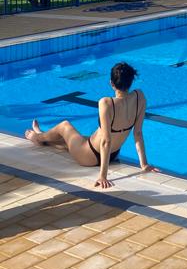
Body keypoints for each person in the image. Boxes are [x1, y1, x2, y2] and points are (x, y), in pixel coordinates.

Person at [24, 61, 156, 189]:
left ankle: (38, 137)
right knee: (72, 142)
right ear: (131, 81)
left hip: (90, 155)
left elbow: (106, 140)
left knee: (65, 126)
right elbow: (137, 133)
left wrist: (103, 176)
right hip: (113, 154)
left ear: (111, 83)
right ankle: (43, 139)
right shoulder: (139, 97)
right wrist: (143, 164)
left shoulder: (106, 103)